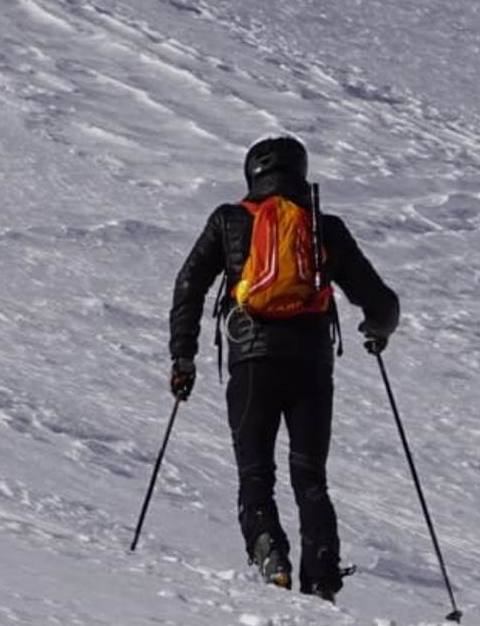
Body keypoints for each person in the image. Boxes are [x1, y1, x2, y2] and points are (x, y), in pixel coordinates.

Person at [165, 136, 400, 598]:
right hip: (311, 364)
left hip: (251, 360)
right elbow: (381, 301)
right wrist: (377, 330)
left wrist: (183, 357)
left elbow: (189, 285)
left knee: (255, 471)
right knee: (310, 475)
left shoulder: (229, 220)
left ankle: (270, 553)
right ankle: (323, 579)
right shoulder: (321, 226)